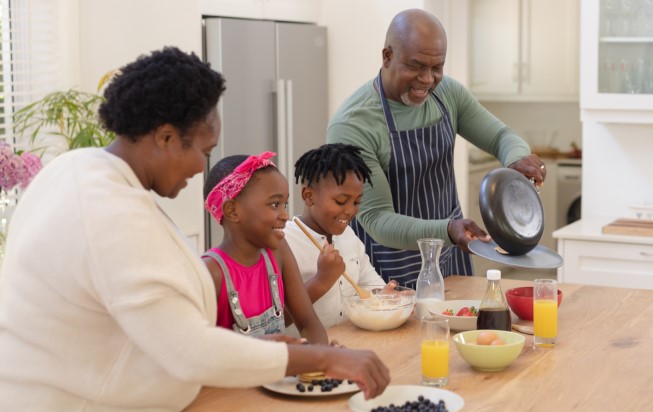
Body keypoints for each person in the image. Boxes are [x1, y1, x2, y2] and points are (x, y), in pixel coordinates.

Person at [0, 47, 389, 412]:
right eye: (203, 151)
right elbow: (190, 350)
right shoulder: (107, 210)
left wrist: (257, 349)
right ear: (166, 136)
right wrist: (324, 358)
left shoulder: (79, 170)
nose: (203, 168)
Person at [327, 8, 547, 287]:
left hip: (448, 257)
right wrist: (447, 230)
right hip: (384, 268)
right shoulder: (353, 124)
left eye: (437, 67)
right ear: (387, 56)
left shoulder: (448, 95)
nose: (428, 79)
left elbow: (501, 136)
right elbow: (377, 219)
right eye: (416, 66)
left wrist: (516, 160)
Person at [203, 152, 329, 341]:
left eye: (284, 204)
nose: (285, 215)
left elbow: (308, 323)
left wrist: (322, 358)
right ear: (232, 210)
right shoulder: (210, 272)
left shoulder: (278, 250)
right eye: (275, 204)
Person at [283, 143, 389, 333]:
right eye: (340, 201)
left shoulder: (348, 235)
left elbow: (370, 284)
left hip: (351, 346)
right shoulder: (284, 242)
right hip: (307, 355)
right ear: (308, 196)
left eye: (357, 202)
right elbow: (276, 319)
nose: (350, 211)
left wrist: (386, 297)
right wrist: (322, 280)